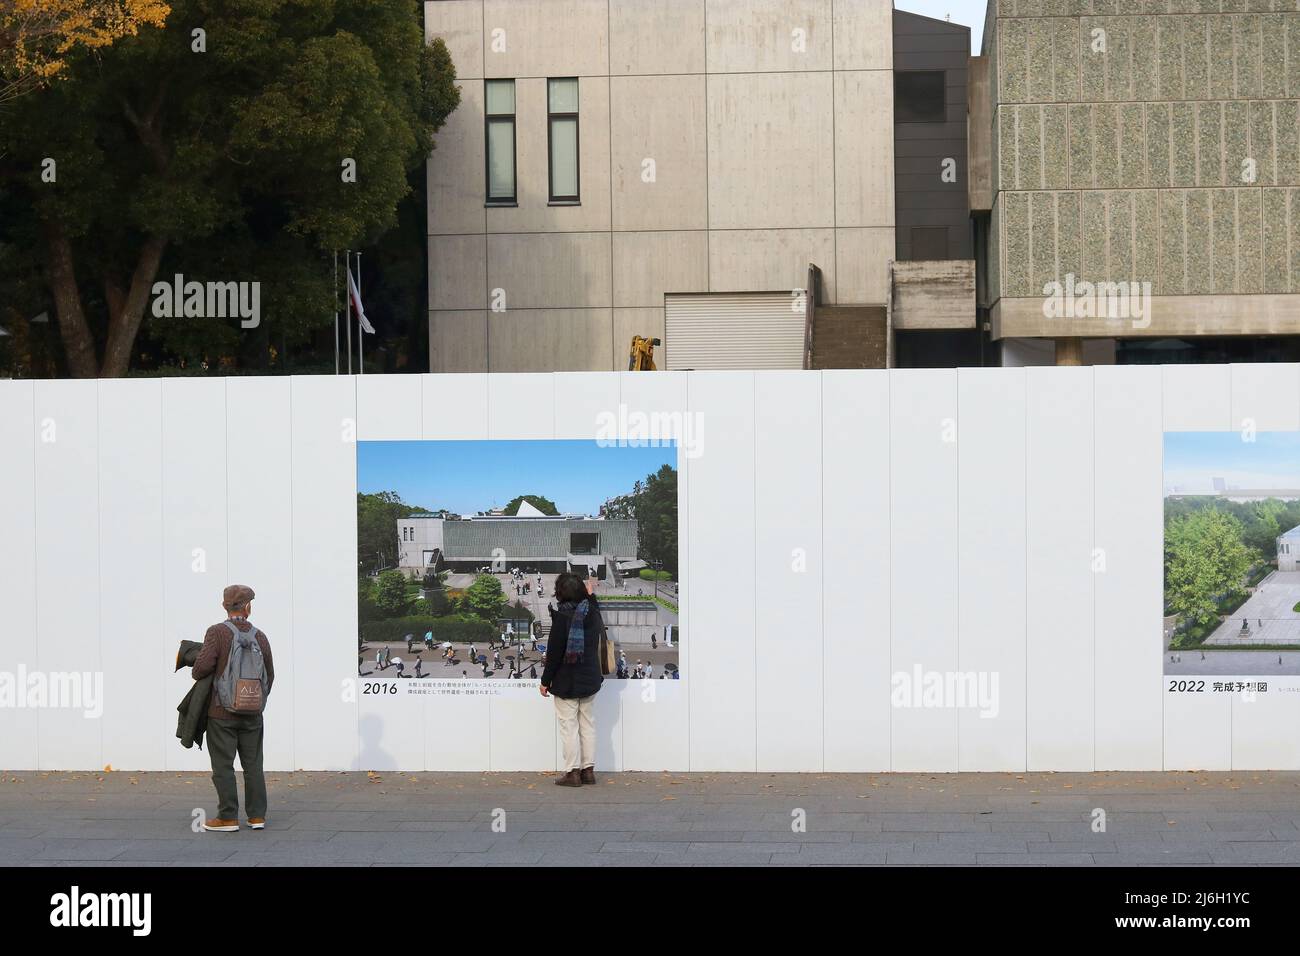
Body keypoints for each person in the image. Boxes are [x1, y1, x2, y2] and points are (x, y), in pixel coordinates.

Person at [194, 585, 274, 833]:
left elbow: (200, 670)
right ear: (248, 607)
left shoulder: (216, 633)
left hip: (221, 714)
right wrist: (254, 702)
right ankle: (257, 817)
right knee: (253, 766)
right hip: (253, 714)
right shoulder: (260, 636)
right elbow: (269, 676)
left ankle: (228, 817)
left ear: (224, 605)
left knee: (223, 766)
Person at [540, 572, 604, 787]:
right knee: (587, 724)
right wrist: (591, 594)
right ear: (581, 592)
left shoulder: (561, 618)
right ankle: (588, 771)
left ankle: (572, 773)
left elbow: (554, 654)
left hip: (567, 682)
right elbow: (593, 604)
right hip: (590, 679)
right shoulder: (592, 613)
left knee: (569, 727)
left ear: (560, 593)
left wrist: (545, 681)